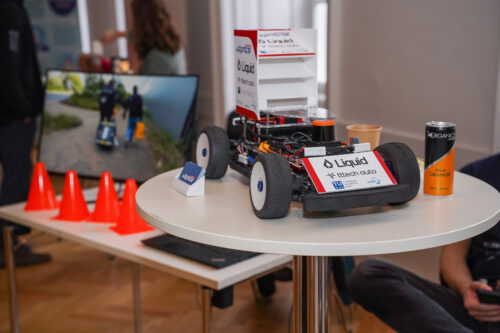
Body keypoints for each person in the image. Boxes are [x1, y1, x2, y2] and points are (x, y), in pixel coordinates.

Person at [348, 153, 500, 333]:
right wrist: (466, 289)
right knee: (367, 274)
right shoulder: (477, 175)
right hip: (476, 305)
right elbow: (452, 257)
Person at [0, 0, 51, 266]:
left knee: (17, 178)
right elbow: (7, 67)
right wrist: (24, 109)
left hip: (9, 113)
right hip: (12, 116)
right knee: (15, 182)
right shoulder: (9, 10)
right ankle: (10, 248)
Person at [101, 0, 187, 75]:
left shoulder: (153, 57)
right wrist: (118, 34)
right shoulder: (174, 43)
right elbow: (108, 36)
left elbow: (139, 82)